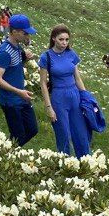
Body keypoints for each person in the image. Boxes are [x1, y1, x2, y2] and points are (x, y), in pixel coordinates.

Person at [37, 25, 92, 157]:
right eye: (61, 39)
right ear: (53, 39)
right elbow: (43, 84)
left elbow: (77, 78)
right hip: (58, 97)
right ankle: (65, 164)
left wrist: (85, 97)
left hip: (75, 95)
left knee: (81, 133)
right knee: (63, 134)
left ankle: (85, 163)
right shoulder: (46, 57)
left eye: (67, 39)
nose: (64, 43)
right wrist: (49, 107)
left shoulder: (71, 54)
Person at [0, 14, 38, 146]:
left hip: (21, 97)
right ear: (14, 32)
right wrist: (18, 91)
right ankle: (5, 154)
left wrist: (24, 59)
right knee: (17, 136)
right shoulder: (4, 52)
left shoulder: (17, 47)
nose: (27, 36)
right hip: (10, 101)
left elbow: (12, 70)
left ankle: (7, 151)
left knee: (32, 129)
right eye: (25, 33)